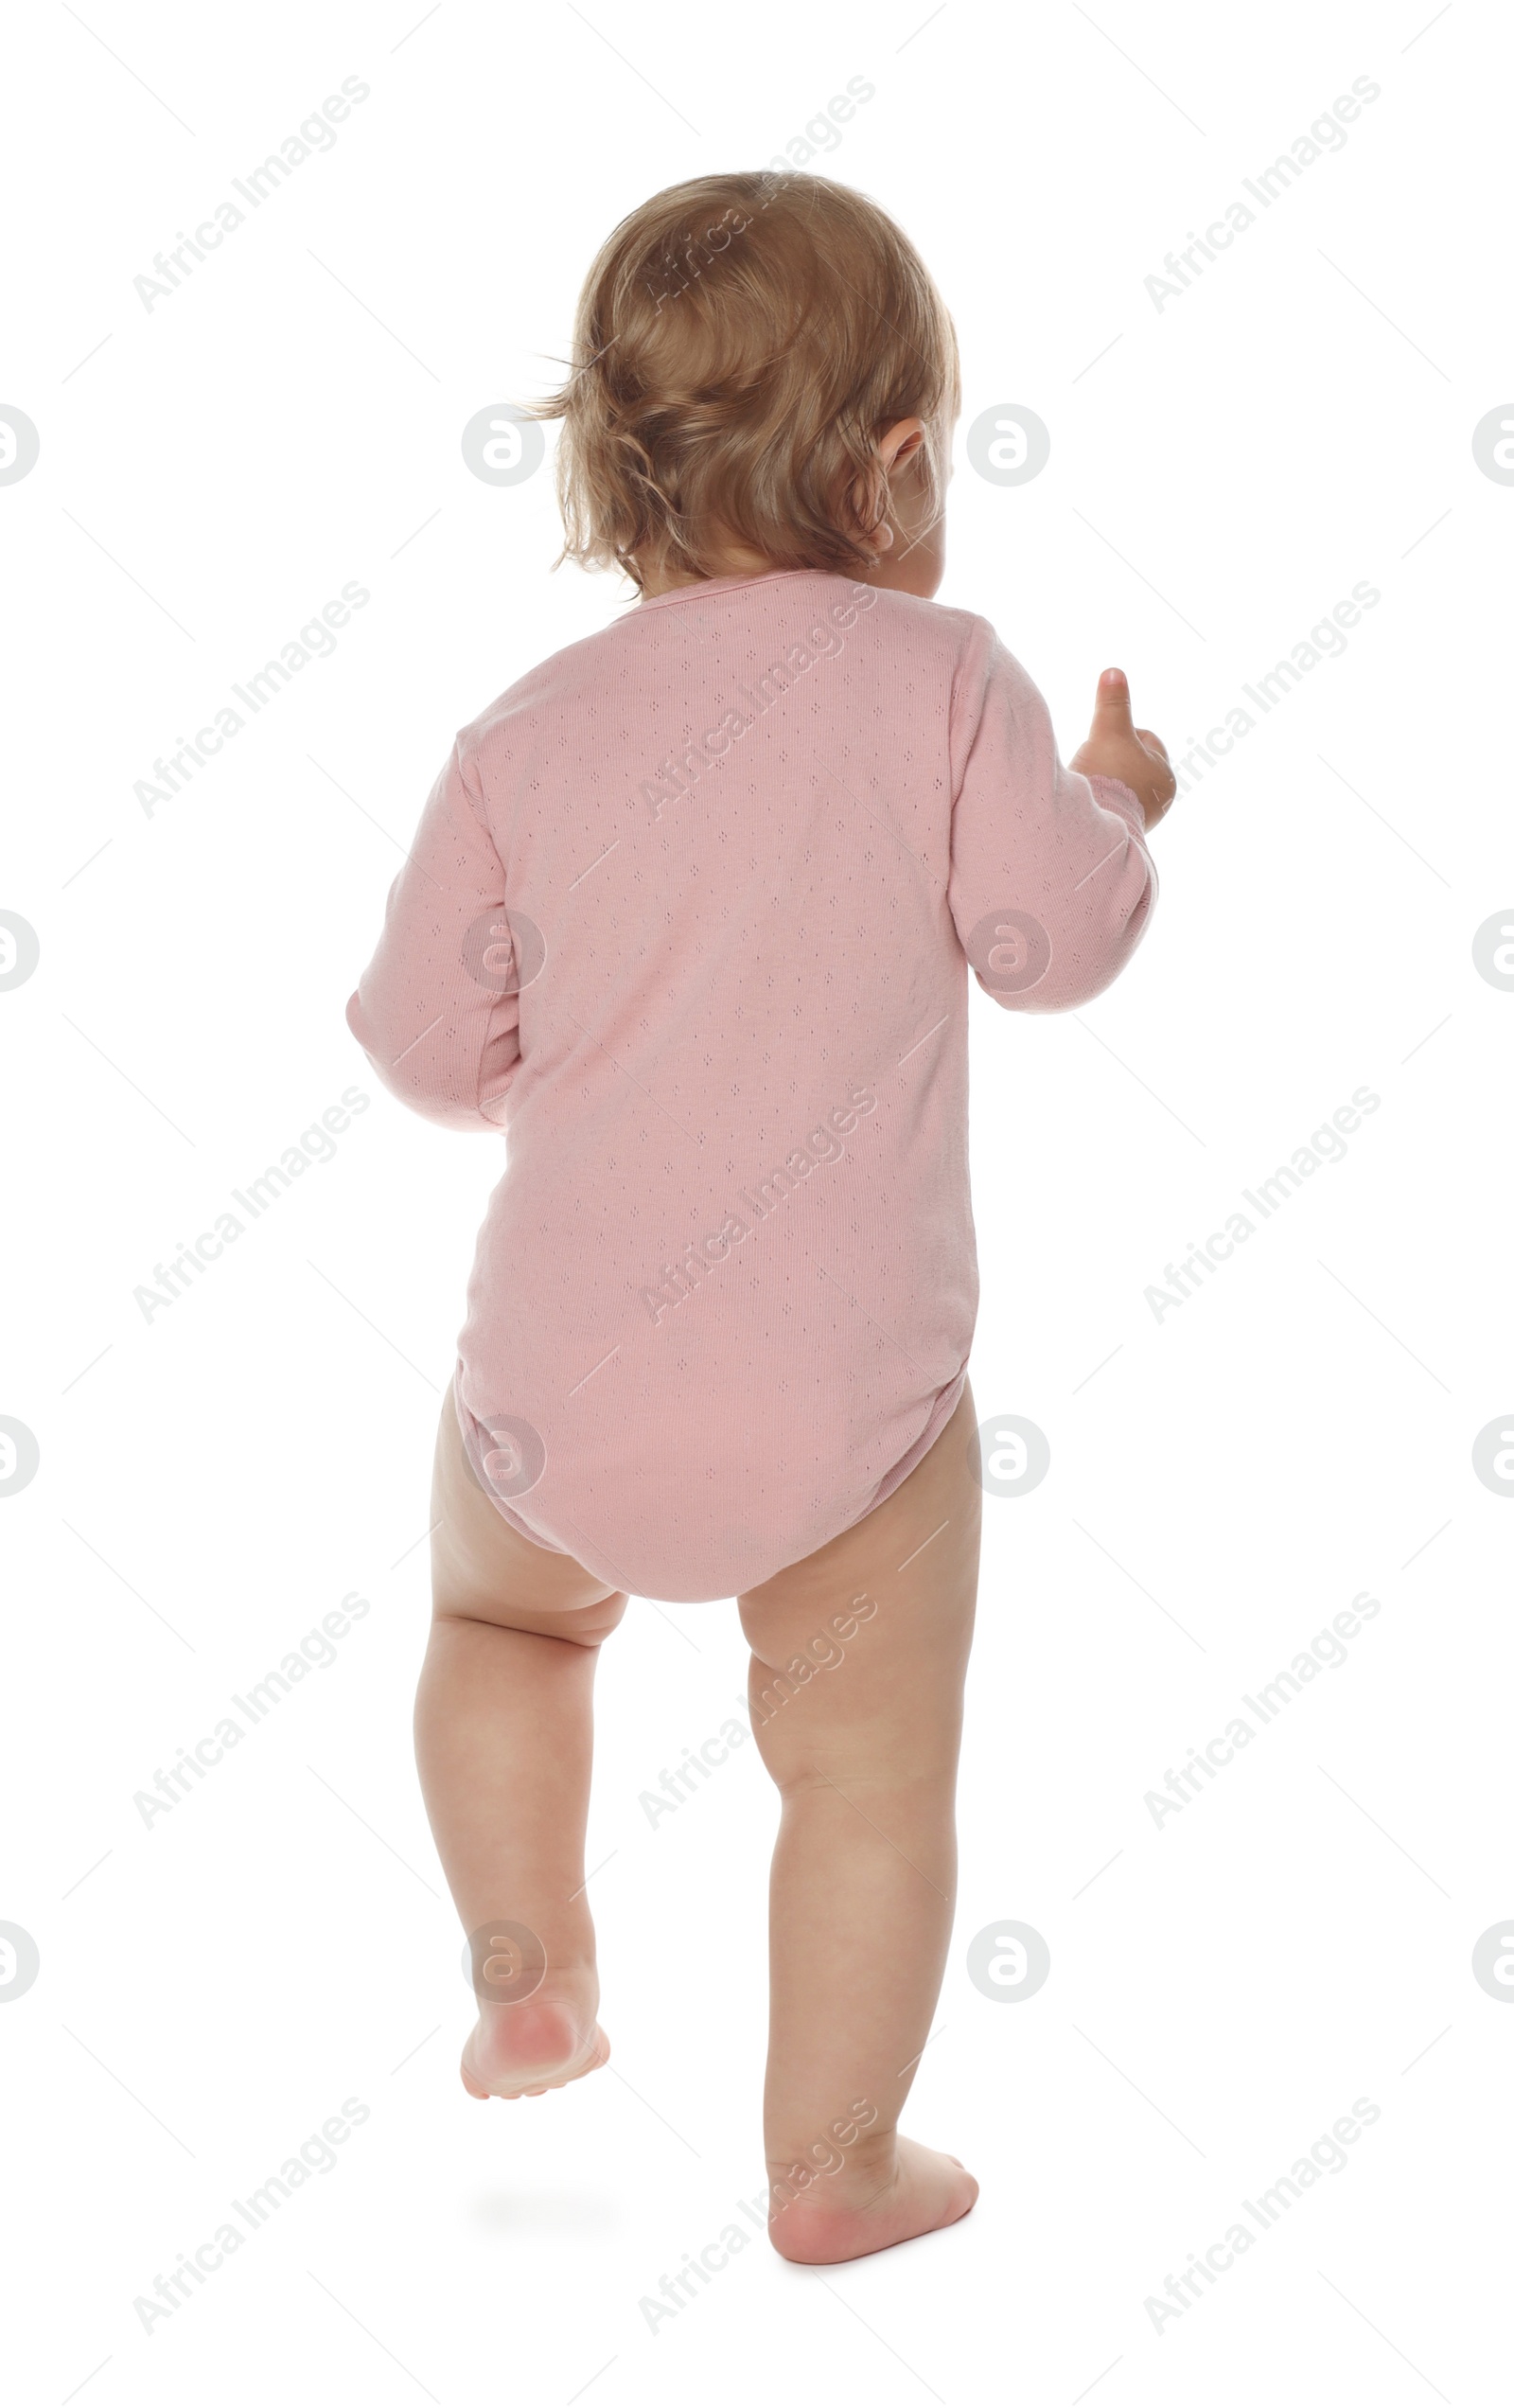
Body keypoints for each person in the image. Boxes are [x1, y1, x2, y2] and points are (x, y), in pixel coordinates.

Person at [347, 169, 1173, 2264]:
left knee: (499, 1627)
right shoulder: (942, 674)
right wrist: (1119, 804)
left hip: (561, 1393)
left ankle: (528, 1971)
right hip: (847, 1431)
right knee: (864, 1782)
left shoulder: (519, 736)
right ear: (898, 468)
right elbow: (1044, 942)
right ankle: (829, 2169)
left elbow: (432, 1059)